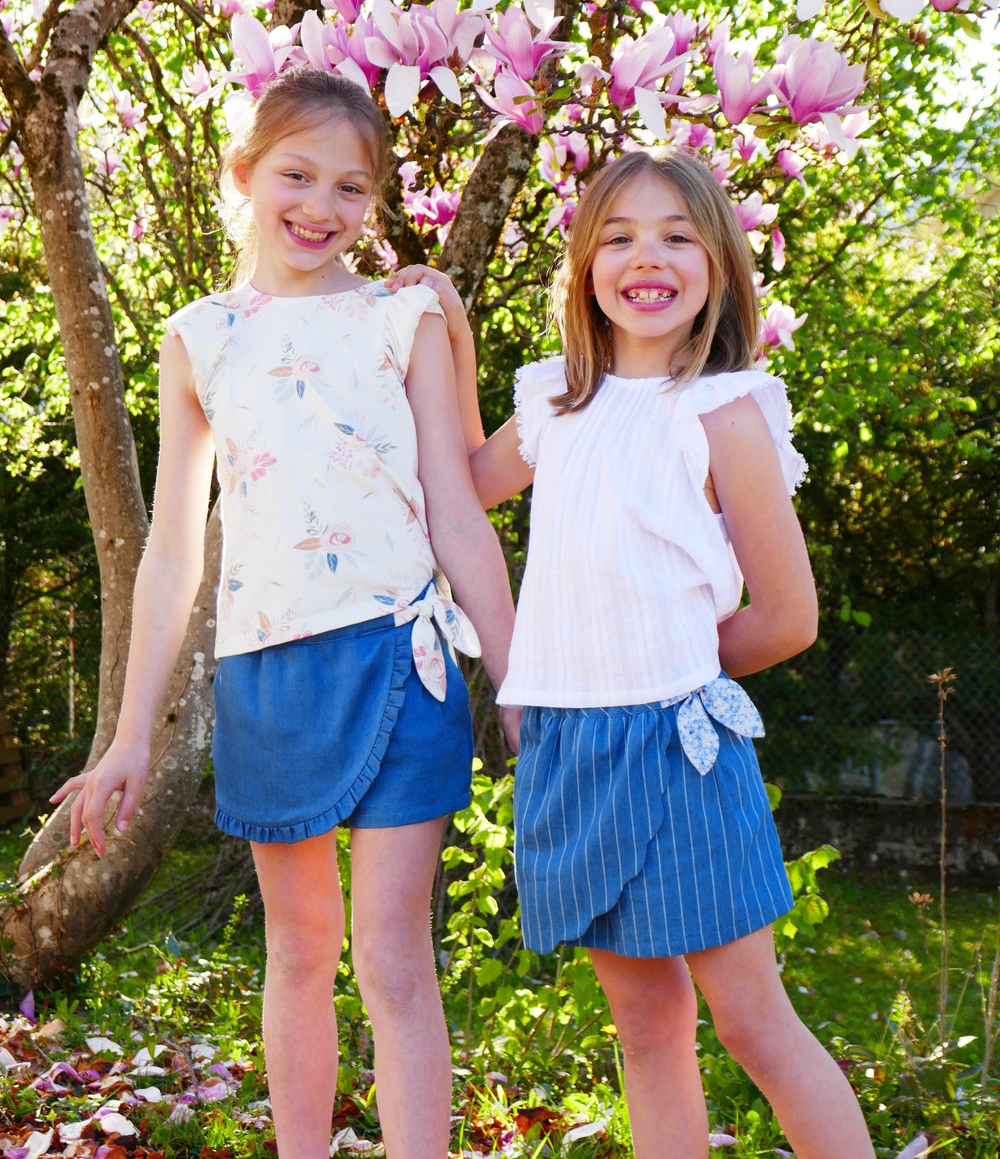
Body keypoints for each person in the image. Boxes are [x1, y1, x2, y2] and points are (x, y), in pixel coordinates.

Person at [52, 65, 517, 1159]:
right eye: (297, 175)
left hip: (405, 660)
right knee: (301, 950)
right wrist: (128, 736)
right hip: (268, 677)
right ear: (245, 173)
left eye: (352, 188)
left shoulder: (404, 314)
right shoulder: (201, 337)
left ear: (378, 202)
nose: (321, 206)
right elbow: (172, 547)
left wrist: (520, 674)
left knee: (395, 958)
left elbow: (456, 508)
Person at [468, 149, 876, 1159]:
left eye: (675, 235)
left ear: (718, 265)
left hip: (683, 744)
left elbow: (785, 614)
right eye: (618, 236)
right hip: (568, 748)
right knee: (646, 1027)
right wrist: (431, 327)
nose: (645, 256)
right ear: (584, 266)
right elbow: (461, 486)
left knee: (751, 1020)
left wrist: (667, 665)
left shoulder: (727, 412)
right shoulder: (552, 403)